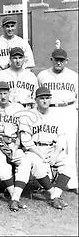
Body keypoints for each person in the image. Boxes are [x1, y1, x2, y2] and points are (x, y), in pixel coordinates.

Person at [20, 87, 75, 209]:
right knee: (38, 166)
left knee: (69, 163)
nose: (44, 101)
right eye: (41, 98)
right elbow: (26, 141)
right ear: (35, 100)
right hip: (35, 149)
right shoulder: (28, 115)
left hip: (52, 149)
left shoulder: (56, 116)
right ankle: (54, 196)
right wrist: (41, 154)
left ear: (50, 99)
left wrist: (55, 155)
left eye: (47, 98)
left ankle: (56, 195)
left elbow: (61, 138)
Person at [0, 82, 31, 211]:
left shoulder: (18, 108)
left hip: (13, 144)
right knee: (1, 161)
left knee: (25, 161)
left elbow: (22, 130)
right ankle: (14, 197)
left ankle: (15, 198)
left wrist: (16, 146)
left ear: (9, 94)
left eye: (5, 93)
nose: (3, 97)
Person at [37, 48, 78, 192]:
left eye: (62, 60)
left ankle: (72, 182)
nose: (59, 62)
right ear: (51, 60)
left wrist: (74, 109)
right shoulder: (43, 75)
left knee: (70, 145)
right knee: (48, 142)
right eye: (56, 59)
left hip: (68, 109)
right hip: (51, 110)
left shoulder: (74, 76)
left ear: (66, 61)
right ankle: (45, 181)